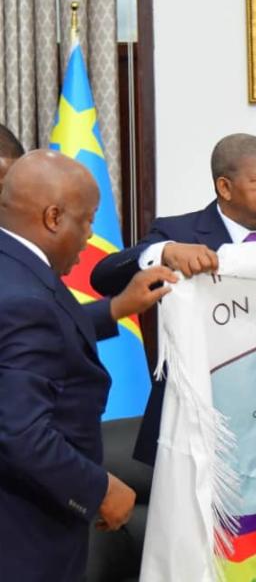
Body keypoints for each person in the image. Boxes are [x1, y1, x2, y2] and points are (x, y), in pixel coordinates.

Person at [90, 132, 256, 466]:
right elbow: (103, 276)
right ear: (225, 187)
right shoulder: (178, 233)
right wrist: (164, 252)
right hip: (195, 417)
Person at [0, 149, 176, 581]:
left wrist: (116, 307)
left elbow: (39, 331)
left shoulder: (14, 270)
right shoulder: (25, 298)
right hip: (26, 531)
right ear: (54, 217)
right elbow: (20, 431)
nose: (91, 235)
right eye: (87, 219)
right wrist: (98, 489)